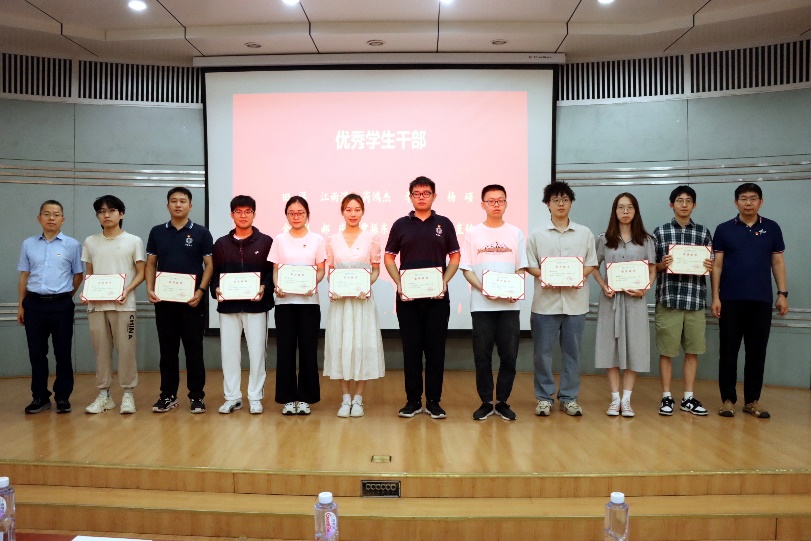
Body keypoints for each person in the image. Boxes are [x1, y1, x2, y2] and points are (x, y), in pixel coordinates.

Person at [384, 176, 460, 419]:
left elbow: (455, 257)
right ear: (410, 197)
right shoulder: (400, 225)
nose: (421, 197)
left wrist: (444, 281)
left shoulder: (444, 224)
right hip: (408, 300)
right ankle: (413, 401)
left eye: (426, 193)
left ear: (434, 196)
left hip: (438, 299)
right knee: (412, 350)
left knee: (436, 351)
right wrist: (399, 283)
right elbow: (389, 257)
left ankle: (434, 401)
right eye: (416, 194)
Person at [711, 183, 788, 419]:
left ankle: (752, 400)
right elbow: (717, 265)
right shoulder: (724, 229)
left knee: (757, 352)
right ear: (736, 202)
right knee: (728, 352)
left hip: (761, 301)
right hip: (730, 300)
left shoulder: (772, 228)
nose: (748, 203)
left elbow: (777, 262)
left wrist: (782, 293)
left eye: (753, 198)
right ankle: (727, 400)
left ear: (760, 202)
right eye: (743, 198)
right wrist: (715, 297)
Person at [525, 181, 597, 417]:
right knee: (542, 354)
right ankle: (544, 398)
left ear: (571, 203)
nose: (561, 204)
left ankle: (569, 398)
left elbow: (591, 263)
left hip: (576, 304)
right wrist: (549, 276)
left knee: (572, 354)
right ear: (548, 204)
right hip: (545, 304)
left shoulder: (584, 233)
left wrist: (576, 276)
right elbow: (530, 266)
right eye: (555, 200)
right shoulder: (537, 235)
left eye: (565, 200)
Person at [460, 184, 528, 421]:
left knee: (509, 356)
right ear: (483, 205)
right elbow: (466, 269)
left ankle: (503, 402)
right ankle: (486, 402)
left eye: (500, 200)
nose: (496, 204)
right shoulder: (473, 234)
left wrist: (515, 288)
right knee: (482, 356)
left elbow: (521, 267)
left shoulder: (515, 233)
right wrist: (483, 289)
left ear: (506, 203)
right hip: (482, 306)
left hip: (509, 306)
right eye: (491, 201)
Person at [145, 187, 213, 414]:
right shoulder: (157, 232)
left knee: (194, 351)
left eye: (183, 201)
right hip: (164, 302)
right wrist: (149, 288)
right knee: (167, 351)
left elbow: (209, 265)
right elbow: (151, 263)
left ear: (190, 206)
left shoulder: (201, 233)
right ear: (168, 206)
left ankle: (197, 396)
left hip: (192, 302)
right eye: (173, 201)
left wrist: (201, 291)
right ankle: (168, 395)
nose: (178, 204)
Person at [591, 192, 656, 418]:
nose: (625, 211)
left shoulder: (646, 240)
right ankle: (615, 398)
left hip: (635, 301)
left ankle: (627, 399)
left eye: (630, 207)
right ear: (615, 211)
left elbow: (652, 269)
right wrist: (603, 285)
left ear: (636, 211)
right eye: (621, 207)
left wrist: (644, 289)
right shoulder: (604, 239)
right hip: (611, 301)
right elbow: (592, 266)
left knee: (635, 347)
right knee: (610, 347)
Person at [17, 200, 84, 414]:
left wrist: (66, 295)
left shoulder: (72, 245)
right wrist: (21, 305)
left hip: (61, 305)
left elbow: (78, 275)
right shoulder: (28, 244)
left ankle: (62, 397)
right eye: (47, 214)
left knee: (63, 353)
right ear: (39, 218)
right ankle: (40, 397)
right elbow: (24, 275)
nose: (51, 218)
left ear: (63, 219)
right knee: (37, 353)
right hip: (33, 304)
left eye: (56, 214)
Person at [81, 195, 145, 414]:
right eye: (101, 211)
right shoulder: (90, 241)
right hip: (97, 305)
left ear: (121, 213)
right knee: (101, 351)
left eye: (111, 211)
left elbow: (141, 272)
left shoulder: (133, 241)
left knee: (126, 350)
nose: (106, 215)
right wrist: (86, 292)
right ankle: (104, 395)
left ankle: (128, 394)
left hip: (124, 305)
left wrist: (127, 290)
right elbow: (89, 273)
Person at [652, 186, 713, 417]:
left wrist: (708, 265)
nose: (684, 204)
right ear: (672, 204)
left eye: (688, 201)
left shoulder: (703, 232)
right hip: (669, 299)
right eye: (679, 200)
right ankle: (666, 396)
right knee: (666, 352)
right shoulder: (660, 232)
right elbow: (651, 267)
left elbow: (711, 264)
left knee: (693, 351)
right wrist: (662, 264)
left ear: (694, 205)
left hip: (695, 300)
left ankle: (688, 397)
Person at [211, 195, 274, 415]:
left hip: (257, 306)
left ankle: (255, 397)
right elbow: (214, 273)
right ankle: (232, 397)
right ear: (232, 214)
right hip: (228, 307)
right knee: (229, 353)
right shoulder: (221, 244)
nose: (243, 215)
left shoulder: (266, 242)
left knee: (257, 353)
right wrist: (216, 288)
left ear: (254, 214)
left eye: (248, 211)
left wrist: (265, 287)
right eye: (239, 211)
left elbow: (271, 273)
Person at [324, 194, 385, 418]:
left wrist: (366, 284)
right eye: (348, 209)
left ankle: (358, 398)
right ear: (342, 212)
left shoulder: (371, 238)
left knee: (361, 345)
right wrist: (334, 286)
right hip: (341, 302)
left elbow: (376, 269)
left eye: (357, 209)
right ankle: (345, 398)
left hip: (361, 301)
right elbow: (331, 271)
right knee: (341, 345)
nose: (353, 214)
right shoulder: (332, 240)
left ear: (363, 212)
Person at [268, 196, 326, 416]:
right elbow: (276, 269)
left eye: (300, 212)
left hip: (309, 303)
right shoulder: (279, 240)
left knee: (308, 351)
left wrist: (313, 282)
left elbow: (321, 269)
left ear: (307, 215)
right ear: (286, 215)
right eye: (291, 213)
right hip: (285, 303)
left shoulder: (317, 239)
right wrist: (277, 286)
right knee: (285, 351)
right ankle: (287, 398)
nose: (296, 216)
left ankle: (305, 399)